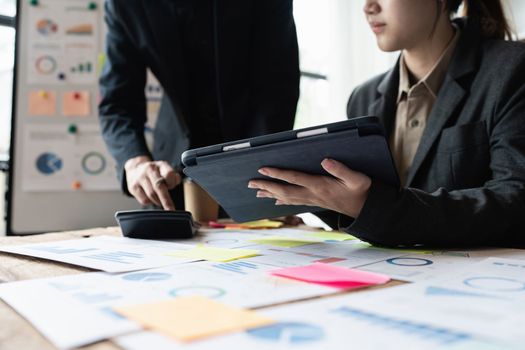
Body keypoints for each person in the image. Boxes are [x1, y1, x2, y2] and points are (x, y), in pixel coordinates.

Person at [249, 0, 525, 248]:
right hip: (389, 283)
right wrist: (316, 200)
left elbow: (514, 203)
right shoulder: (363, 98)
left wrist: (371, 206)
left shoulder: (512, 69)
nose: (368, 6)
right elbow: (368, 216)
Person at [99, 0, 300, 211]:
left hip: (252, 160)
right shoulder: (125, 4)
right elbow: (118, 102)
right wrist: (135, 162)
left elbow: (277, 88)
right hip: (171, 172)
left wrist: (259, 164)